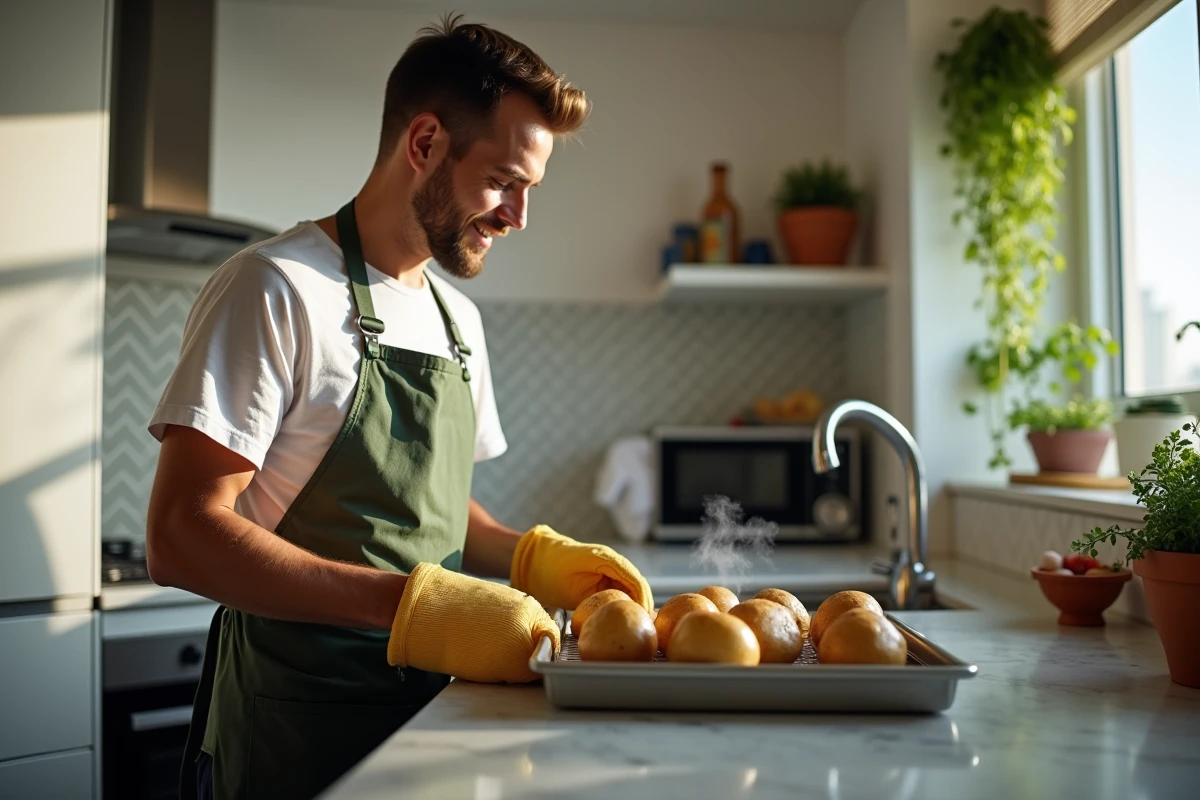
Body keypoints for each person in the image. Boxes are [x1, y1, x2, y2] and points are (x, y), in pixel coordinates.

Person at [145, 16, 653, 800]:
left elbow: (437, 513)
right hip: (297, 727)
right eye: (502, 182)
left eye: (529, 190)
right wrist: (409, 604)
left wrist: (532, 559)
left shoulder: (460, 323)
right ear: (424, 144)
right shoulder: (277, 288)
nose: (518, 216)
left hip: (432, 722)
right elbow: (181, 535)